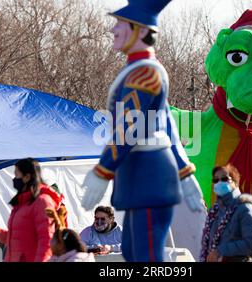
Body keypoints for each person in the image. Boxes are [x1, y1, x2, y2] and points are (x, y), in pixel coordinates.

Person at [80, 0, 205, 262]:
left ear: (139, 30)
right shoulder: (138, 70)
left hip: (148, 174)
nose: (114, 29)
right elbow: (166, 123)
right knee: (132, 252)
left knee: (146, 255)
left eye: (121, 23)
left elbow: (130, 127)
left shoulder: (144, 74)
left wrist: (103, 170)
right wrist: (184, 171)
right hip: (141, 174)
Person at [0, 158, 64, 262]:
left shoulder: (42, 202)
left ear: (27, 177)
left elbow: (47, 240)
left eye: (17, 174)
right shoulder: (22, 203)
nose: (14, 179)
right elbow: (16, 238)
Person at [201, 164, 252, 262]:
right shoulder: (215, 212)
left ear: (235, 183)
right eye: (216, 180)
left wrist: (220, 251)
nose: (219, 183)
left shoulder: (245, 208)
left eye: (224, 179)